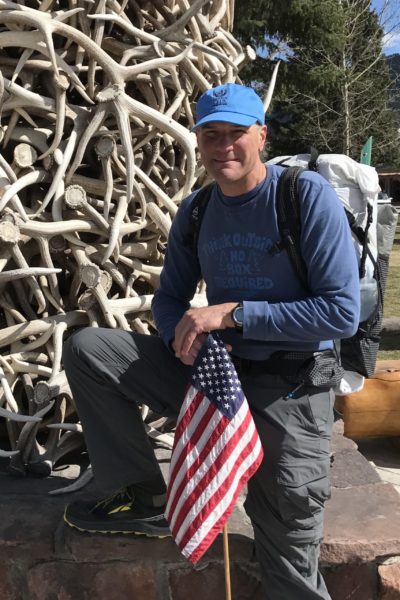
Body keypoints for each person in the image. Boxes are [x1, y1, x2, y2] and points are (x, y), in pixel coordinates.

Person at [62, 83, 360, 599]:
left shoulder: (303, 197)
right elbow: (170, 299)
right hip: (214, 378)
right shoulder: (197, 210)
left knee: (288, 558)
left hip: (288, 388)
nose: (224, 146)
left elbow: (341, 312)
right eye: (211, 134)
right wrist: (180, 334)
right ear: (198, 140)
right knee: (91, 350)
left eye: (236, 133)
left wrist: (232, 315)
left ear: (261, 135)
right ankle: (143, 493)